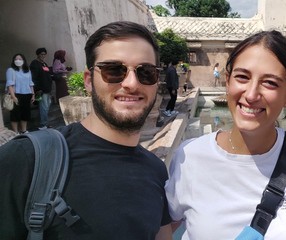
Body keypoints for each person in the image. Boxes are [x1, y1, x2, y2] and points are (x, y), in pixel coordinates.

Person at [165, 30, 286, 239]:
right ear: (227, 81)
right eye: (242, 77)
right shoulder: (190, 157)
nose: (251, 94)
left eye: (270, 83)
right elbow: (166, 225)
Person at [0, 21, 172, 239]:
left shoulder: (156, 170)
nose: (131, 83)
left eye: (146, 72)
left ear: (156, 82)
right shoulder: (26, 159)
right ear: (89, 81)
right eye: (113, 70)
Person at [5, 53, 35, 134]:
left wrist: (33, 94)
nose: (18, 61)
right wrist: (13, 96)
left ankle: (24, 130)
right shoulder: (11, 70)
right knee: (15, 113)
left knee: (25, 113)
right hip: (16, 94)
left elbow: (30, 83)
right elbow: (9, 84)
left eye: (20, 59)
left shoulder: (28, 71)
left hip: (27, 94)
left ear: (23, 60)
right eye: (16, 59)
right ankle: (15, 132)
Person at [30, 47, 52, 130]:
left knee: (46, 106)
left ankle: (43, 122)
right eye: (41, 54)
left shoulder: (44, 64)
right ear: (38, 55)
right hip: (41, 90)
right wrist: (37, 89)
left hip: (47, 89)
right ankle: (43, 124)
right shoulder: (35, 63)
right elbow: (34, 77)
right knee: (44, 107)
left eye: (44, 54)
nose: (43, 56)